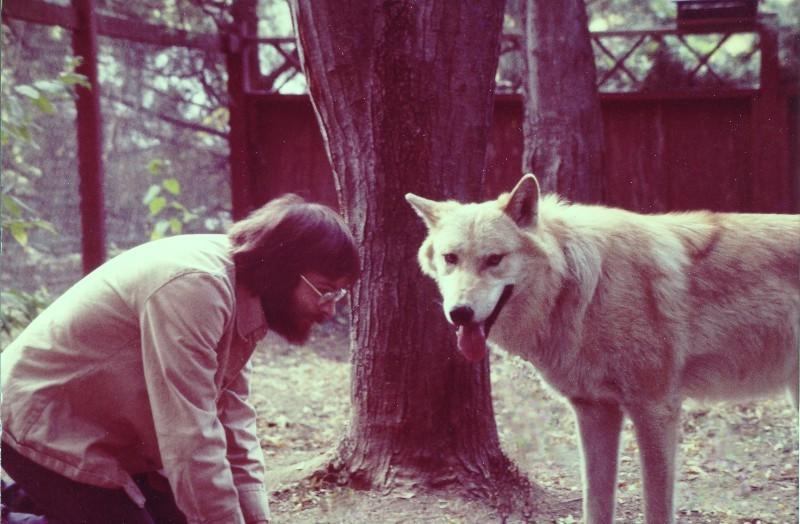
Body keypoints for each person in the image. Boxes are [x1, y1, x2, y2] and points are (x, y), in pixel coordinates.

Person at [1, 194, 360, 524]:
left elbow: (233, 419)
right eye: (325, 290)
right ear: (283, 267)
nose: (329, 309)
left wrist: (256, 519)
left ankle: (34, 500)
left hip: (102, 434)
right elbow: (189, 432)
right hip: (42, 423)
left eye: (339, 294)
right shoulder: (195, 287)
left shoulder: (247, 290)